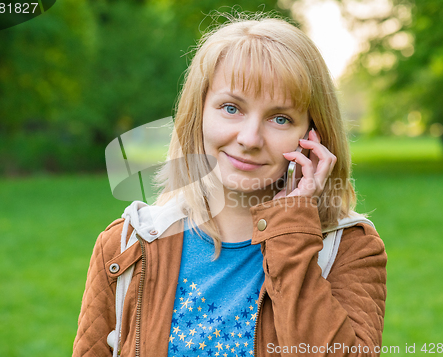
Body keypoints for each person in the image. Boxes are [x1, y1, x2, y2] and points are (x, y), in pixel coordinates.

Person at [73, 11, 387, 357]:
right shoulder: (127, 245)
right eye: (231, 108)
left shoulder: (348, 249)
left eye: (280, 118)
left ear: (312, 137)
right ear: (199, 113)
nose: (250, 138)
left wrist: (293, 233)